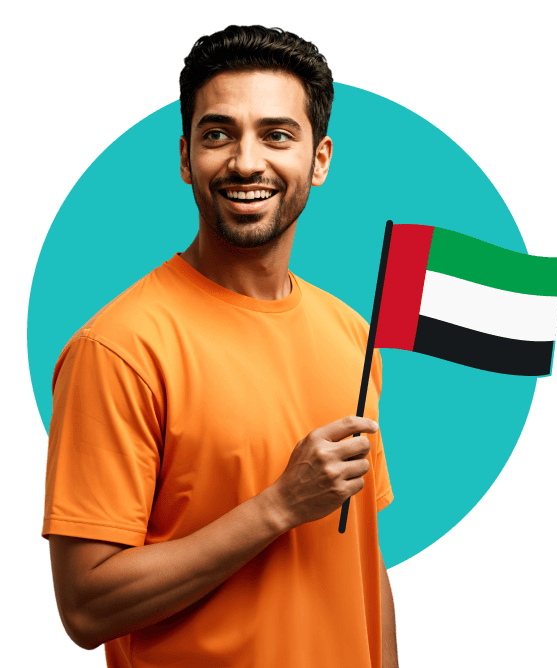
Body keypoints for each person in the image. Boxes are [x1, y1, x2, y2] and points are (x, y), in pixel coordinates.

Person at [43, 24, 398, 668]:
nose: (246, 161)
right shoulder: (119, 348)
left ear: (319, 160)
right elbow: (86, 607)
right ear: (185, 159)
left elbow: (363, 562)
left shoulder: (354, 336)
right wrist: (279, 506)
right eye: (218, 135)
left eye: (277, 134)